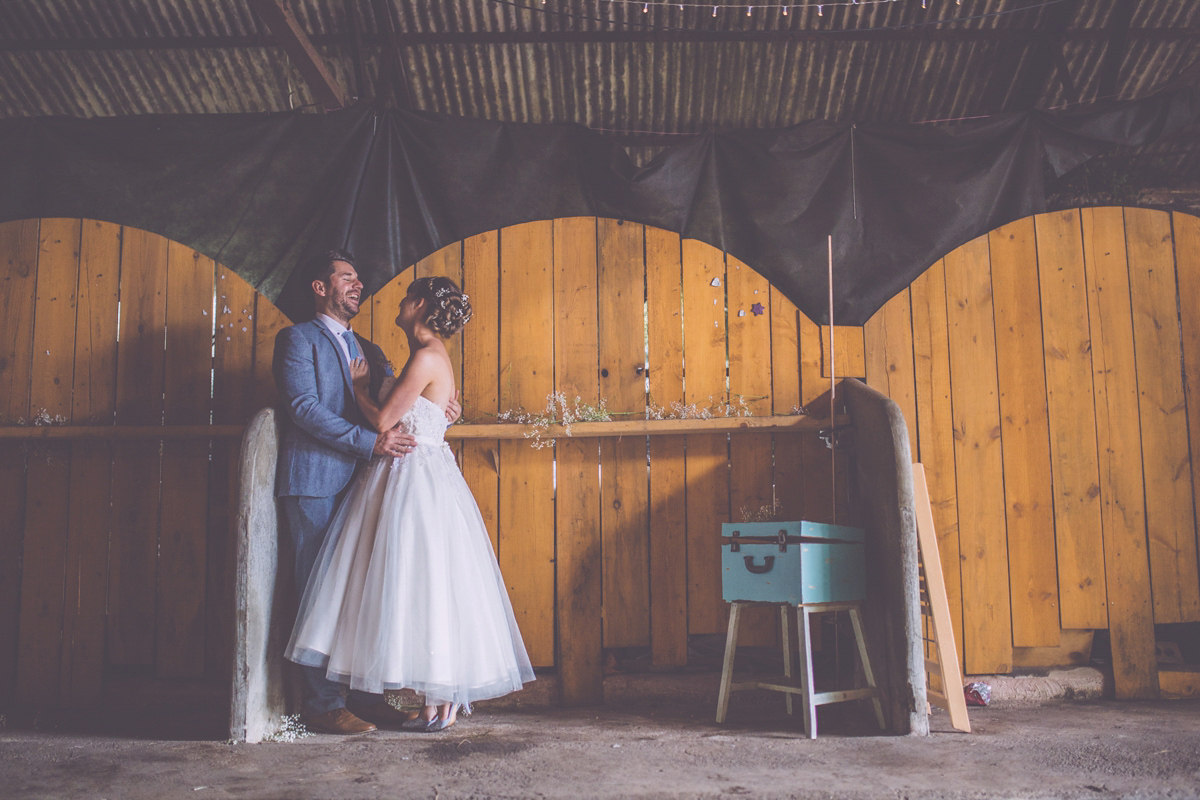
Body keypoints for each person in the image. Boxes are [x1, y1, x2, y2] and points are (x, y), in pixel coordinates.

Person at [286, 276, 534, 732]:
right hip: (394, 474)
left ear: (418, 304)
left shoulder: (418, 355)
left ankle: (433, 696)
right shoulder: (410, 355)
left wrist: (362, 387)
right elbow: (412, 410)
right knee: (396, 583)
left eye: (405, 298)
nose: (396, 302)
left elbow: (384, 418)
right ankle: (415, 698)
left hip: (412, 477)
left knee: (414, 581)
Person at [273, 251, 461, 735]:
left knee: (360, 593)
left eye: (360, 278)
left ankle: (364, 697)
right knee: (319, 593)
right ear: (321, 287)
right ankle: (322, 705)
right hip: (315, 480)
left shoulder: (374, 350)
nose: (359, 285)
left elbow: (394, 404)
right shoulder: (296, 339)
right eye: (347, 277)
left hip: (370, 485)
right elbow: (302, 407)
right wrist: (370, 440)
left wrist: (439, 409)